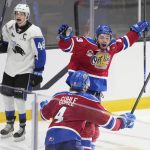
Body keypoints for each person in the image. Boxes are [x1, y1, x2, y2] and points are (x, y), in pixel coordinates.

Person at [57, 21, 150, 149]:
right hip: (82, 90)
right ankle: (85, 146)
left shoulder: (112, 47)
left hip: (96, 93)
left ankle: (90, 145)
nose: (104, 40)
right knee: (88, 123)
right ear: (96, 37)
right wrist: (64, 38)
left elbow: (125, 42)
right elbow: (67, 46)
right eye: (102, 37)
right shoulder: (85, 44)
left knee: (95, 126)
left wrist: (136, 30)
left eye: (107, 37)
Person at [40, 70, 136, 150]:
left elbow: (43, 116)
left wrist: (44, 106)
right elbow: (110, 124)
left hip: (50, 140)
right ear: (86, 85)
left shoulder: (58, 96)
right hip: (70, 141)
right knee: (89, 128)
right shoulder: (87, 100)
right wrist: (124, 121)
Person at [0, 3, 46, 142]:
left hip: (25, 71)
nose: (18, 16)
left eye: (21, 14)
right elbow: (6, 45)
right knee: (6, 98)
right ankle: (9, 125)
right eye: (17, 13)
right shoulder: (8, 26)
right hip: (9, 69)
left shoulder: (35, 31)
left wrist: (38, 71)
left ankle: (22, 128)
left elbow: (41, 53)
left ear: (27, 16)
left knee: (19, 100)